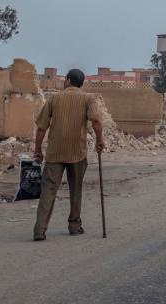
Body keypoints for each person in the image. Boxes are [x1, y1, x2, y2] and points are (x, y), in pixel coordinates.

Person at [32, 68, 104, 241]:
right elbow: (95, 121)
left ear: (69, 80)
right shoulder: (88, 98)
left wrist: (37, 150)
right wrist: (99, 140)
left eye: (66, 79)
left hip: (55, 152)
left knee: (48, 190)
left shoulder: (54, 98)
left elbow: (42, 127)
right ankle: (74, 225)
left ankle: (40, 230)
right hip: (77, 152)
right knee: (76, 189)